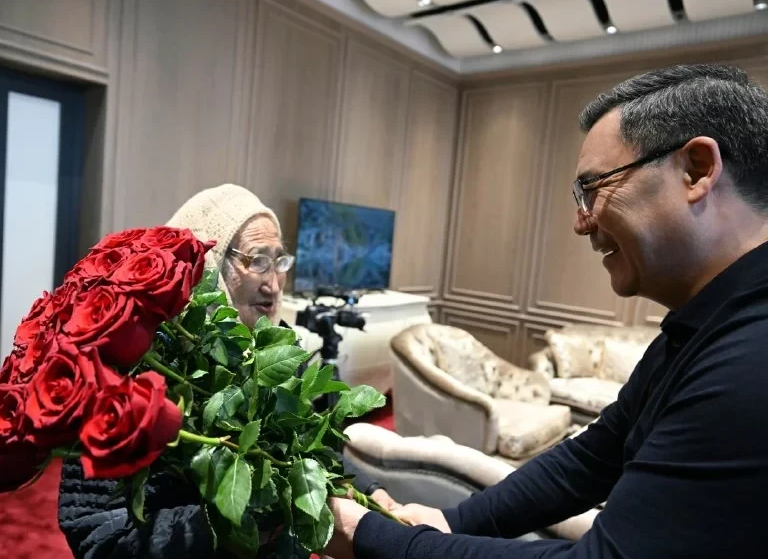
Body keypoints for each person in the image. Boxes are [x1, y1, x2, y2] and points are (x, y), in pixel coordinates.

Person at [325, 64, 768, 558]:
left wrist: (373, 538)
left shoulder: (752, 359)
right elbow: (594, 457)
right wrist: (450, 521)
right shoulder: (700, 325)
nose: (582, 222)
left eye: (593, 188)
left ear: (696, 170)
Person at [58, 184, 397, 558]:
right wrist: (241, 520)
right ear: (208, 264)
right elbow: (96, 536)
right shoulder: (136, 372)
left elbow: (312, 454)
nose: (273, 283)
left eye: (279, 260)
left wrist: (373, 491)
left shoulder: (281, 356)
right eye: (257, 260)